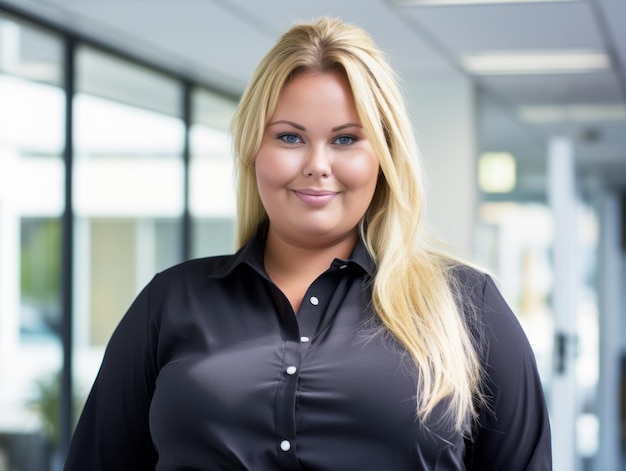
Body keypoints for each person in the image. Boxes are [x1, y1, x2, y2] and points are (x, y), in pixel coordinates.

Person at [64, 17, 551, 470]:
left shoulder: (467, 308)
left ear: (383, 158)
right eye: (291, 137)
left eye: (345, 140)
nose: (318, 164)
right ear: (255, 148)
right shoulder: (169, 302)